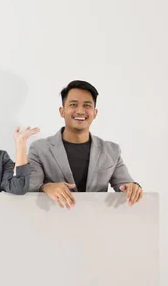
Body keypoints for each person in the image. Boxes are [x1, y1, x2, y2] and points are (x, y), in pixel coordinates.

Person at [28, 80, 142, 208]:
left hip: (96, 222)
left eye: (87, 105)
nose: (80, 111)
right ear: (62, 111)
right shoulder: (39, 148)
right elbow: (30, 188)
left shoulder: (111, 150)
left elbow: (125, 185)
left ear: (95, 113)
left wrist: (133, 188)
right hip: (53, 221)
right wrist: (46, 187)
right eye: (73, 104)